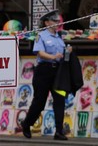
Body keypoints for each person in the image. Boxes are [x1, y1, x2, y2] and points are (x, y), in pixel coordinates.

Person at [21, 9, 71, 140]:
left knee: (59, 100)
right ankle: (27, 124)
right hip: (44, 71)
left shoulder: (59, 37)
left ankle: (59, 131)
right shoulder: (41, 36)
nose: (57, 23)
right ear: (47, 22)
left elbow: (63, 55)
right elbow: (39, 53)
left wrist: (67, 52)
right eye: (54, 21)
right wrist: (53, 56)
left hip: (57, 72)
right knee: (40, 101)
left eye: (58, 21)